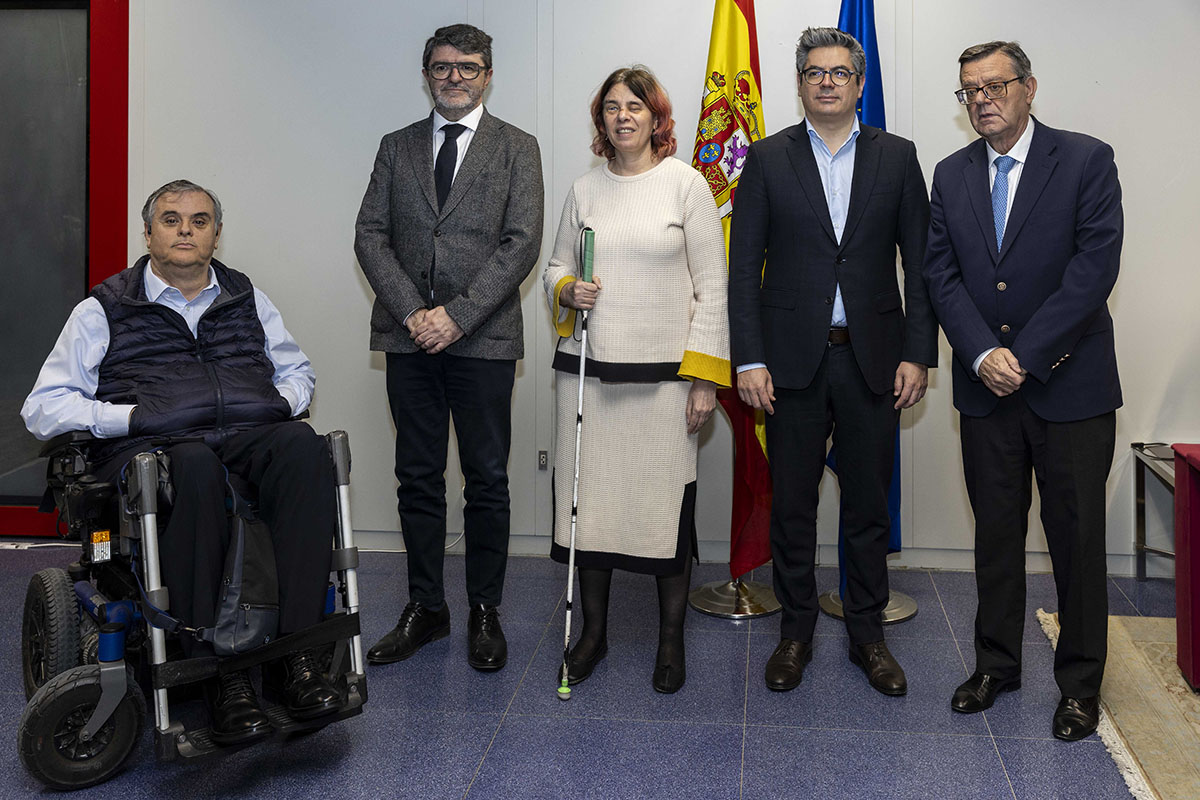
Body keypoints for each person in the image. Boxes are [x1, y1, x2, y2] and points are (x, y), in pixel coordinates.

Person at [21, 179, 341, 745]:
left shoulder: (246, 297)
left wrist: (278, 403)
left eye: (199, 220)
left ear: (217, 234)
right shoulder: (105, 307)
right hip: (157, 449)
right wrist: (132, 417)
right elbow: (43, 408)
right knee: (191, 465)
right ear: (148, 234)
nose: (185, 230)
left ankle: (298, 659)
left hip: (243, 437)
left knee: (302, 446)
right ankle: (225, 678)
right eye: (171, 220)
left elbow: (299, 374)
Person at [727, 27, 937, 696]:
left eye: (839, 72)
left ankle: (868, 635)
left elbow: (923, 266)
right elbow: (743, 269)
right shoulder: (766, 158)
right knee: (791, 503)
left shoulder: (898, 157)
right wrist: (748, 358)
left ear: (859, 83)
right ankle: (795, 632)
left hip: (873, 359)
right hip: (788, 364)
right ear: (800, 83)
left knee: (868, 505)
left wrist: (919, 354)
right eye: (815, 72)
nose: (827, 82)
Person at [924, 41, 1123, 741]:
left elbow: (1095, 267)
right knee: (997, 539)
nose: (982, 99)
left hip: (1070, 389)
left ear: (1029, 88)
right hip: (986, 393)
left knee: (1076, 543)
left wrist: (1026, 355)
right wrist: (981, 354)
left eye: (995, 86)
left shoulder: (1086, 160)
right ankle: (996, 666)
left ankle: (1079, 687)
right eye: (968, 90)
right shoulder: (949, 176)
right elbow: (939, 275)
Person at [354, 24, 544, 673]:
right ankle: (426, 607)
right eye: (442, 66)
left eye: (467, 66)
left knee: (487, 481)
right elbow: (370, 235)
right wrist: (413, 312)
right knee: (417, 478)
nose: (454, 76)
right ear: (428, 73)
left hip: (482, 340)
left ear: (487, 74)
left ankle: (484, 611)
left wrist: (456, 319)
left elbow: (521, 243)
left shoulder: (518, 147)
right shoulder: (396, 146)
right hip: (409, 342)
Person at [543, 66, 729, 694]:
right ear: (601, 120)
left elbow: (713, 288)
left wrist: (704, 379)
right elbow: (556, 267)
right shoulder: (584, 190)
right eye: (612, 108)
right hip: (590, 377)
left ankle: (670, 641)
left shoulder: (686, 186)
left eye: (635, 107)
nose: (623, 117)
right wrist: (569, 288)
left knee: (661, 513)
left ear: (656, 118)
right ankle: (592, 634)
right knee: (591, 508)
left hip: (665, 383)